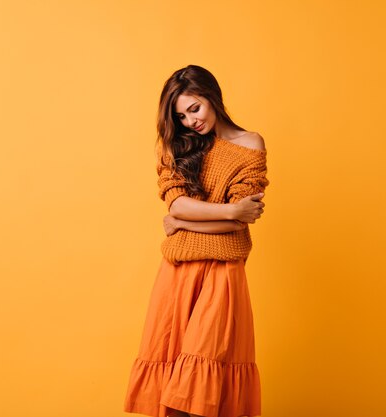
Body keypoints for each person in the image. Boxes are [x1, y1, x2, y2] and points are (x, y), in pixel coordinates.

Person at [123, 64, 269, 417]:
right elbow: (177, 203)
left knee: (204, 383)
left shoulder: (250, 144)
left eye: (195, 108)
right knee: (173, 387)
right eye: (182, 115)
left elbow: (237, 221)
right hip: (177, 275)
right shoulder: (178, 146)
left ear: (212, 97)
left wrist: (184, 222)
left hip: (223, 275)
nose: (191, 122)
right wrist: (229, 213)